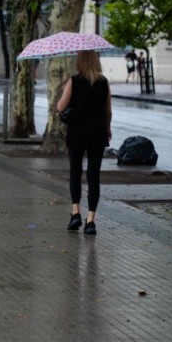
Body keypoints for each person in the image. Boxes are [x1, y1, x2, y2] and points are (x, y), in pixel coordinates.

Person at [56, 50, 112, 235]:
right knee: (93, 176)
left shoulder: (73, 80)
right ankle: (91, 221)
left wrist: (65, 88)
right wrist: (108, 128)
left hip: (77, 132)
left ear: (79, 61)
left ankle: (75, 213)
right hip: (97, 133)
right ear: (96, 61)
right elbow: (108, 110)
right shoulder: (104, 82)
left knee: (75, 172)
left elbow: (60, 107)